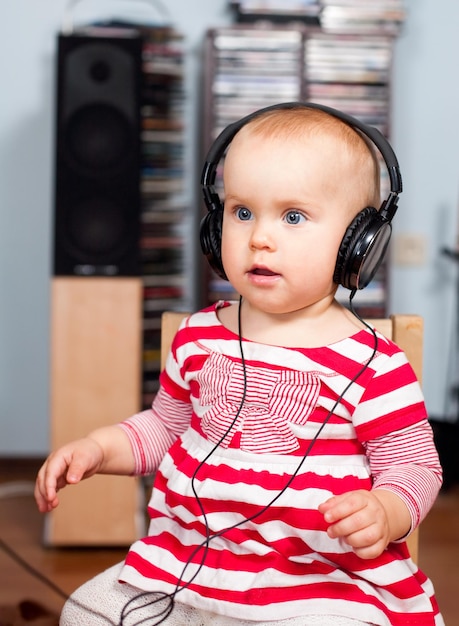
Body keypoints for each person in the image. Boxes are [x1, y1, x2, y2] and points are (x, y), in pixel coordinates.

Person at [35, 104, 444, 626]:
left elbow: (415, 467)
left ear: (357, 246)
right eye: (241, 212)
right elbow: (164, 427)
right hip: (191, 568)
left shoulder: (374, 364)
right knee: (84, 614)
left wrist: (386, 511)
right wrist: (98, 447)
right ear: (215, 225)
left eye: (293, 217)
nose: (259, 238)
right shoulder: (198, 337)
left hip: (319, 582)